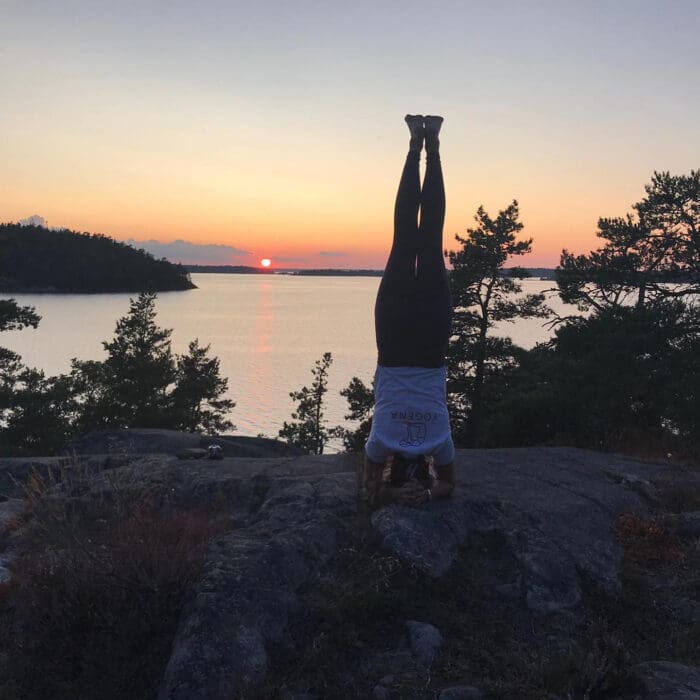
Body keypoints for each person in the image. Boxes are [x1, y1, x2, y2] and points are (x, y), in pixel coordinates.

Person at [363, 114, 456, 508]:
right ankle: (419, 144)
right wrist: (401, 493)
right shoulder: (381, 444)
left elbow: (446, 486)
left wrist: (422, 492)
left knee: (427, 239)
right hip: (397, 344)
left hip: (428, 344)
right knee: (407, 238)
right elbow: (370, 486)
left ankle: (428, 143)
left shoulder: (439, 444)